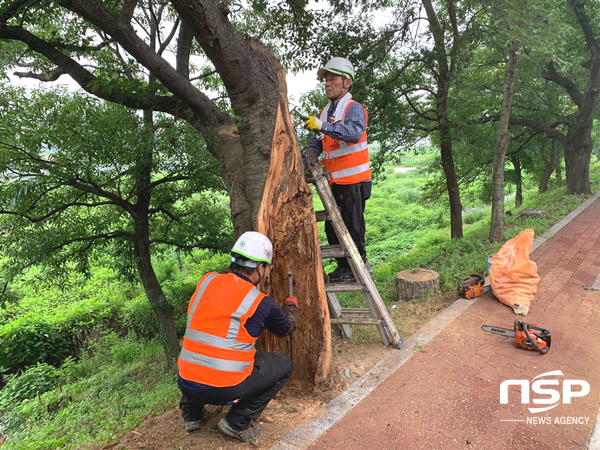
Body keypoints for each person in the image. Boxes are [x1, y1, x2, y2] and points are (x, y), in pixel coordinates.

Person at [177, 231, 299, 442]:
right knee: (284, 364)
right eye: (267, 267)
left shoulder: (206, 281)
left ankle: (192, 414)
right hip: (224, 390)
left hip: (186, 381)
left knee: (200, 357)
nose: (267, 272)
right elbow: (286, 328)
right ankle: (237, 422)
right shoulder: (260, 301)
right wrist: (291, 306)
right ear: (260, 267)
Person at [303, 57, 372, 282]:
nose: (327, 83)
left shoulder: (354, 109)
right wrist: (307, 156)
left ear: (347, 82)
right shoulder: (326, 112)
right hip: (335, 181)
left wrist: (322, 126)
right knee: (333, 228)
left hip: (353, 180)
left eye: (333, 79)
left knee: (352, 227)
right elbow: (318, 140)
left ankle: (360, 265)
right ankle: (344, 268)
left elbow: (352, 133)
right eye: (326, 80)